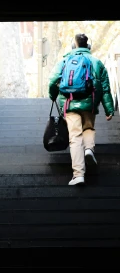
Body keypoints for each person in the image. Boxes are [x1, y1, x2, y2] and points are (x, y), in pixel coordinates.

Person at [48, 33, 114, 186]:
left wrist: (53, 96)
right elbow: (105, 88)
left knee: (75, 137)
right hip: (90, 104)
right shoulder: (97, 62)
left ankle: (78, 175)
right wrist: (109, 110)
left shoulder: (65, 61)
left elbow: (53, 81)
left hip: (69, 104)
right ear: (88, 46)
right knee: (88, 128)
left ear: (74, 46)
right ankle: (89, 149)